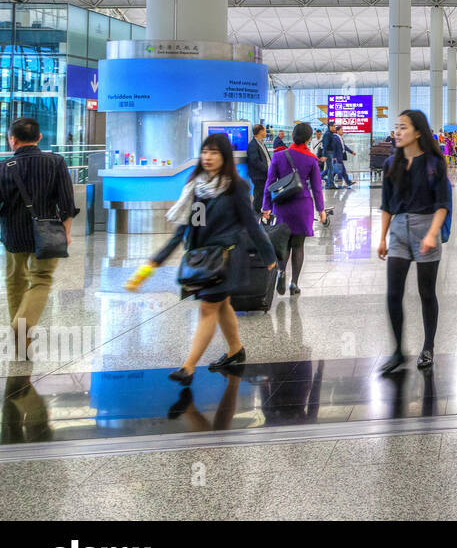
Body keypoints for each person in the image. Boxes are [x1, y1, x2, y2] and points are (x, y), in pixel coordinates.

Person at [126, 133, 277, 383]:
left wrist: (269, 254)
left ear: (225, 157)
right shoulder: (198, 186)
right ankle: (236, 350)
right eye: (205, 152)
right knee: (223, 306)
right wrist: (155, 261)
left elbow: (251, 223)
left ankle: (188, 366)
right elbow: (191, 225)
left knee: (209, 309)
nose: (207, 157)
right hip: (207, 260)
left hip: (227, 259)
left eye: (214, 152)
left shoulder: (236, 186)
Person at [377, 109, 451, 375]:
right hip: (398, 230)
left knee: (426, 292)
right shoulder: (390, 164)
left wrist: (432, 234)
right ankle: (398, 350)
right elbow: (386, 205)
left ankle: (428, 346)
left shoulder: (434, 163)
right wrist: (382, 237)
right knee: (393, 293)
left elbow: (442, 205)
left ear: (418, 131)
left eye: (404, 127)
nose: (397, 132)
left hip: (425, 227)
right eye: (396, 127)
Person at [0, 117, 77, 358]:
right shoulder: (56, 162)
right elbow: (67, 202)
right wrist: (67, 231)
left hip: (13, 233)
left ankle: (20, 336)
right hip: (48, 233)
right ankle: (21, 328)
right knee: (41, 279)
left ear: (13, 140)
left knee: (15, 281)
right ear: (40, 137)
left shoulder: (3, 167)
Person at [261, 122, 327, 296]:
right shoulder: (312, 159)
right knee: (298, 246)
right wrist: (321, 210)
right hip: (302, 206)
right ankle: (294, 284)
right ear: (308, 139)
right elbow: (317, 188)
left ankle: (282, 273)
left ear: (292, 137)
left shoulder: (279, 156)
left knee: (283, 243)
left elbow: (270, 183)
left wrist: (266, 207)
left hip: (282, 205)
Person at [247, 123, 272, 210]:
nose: (266, 132)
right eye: (265, 130)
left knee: (264, 196)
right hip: (259, 176)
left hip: (265, 174)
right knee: (258, 197)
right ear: (260, 131)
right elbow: (255, 162)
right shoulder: (252, 145)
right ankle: (255, 215)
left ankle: (263, 215)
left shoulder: (261, 143)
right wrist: (268, 170)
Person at [322, 123, 354, 189]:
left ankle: (328, 182)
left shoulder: (338, 137)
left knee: (331, 170)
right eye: (341, 130)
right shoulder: (334, 136)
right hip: (334, 156)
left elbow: (343, 146)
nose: (343, 131)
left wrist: (351, 152)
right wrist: (332, 156)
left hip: (337, 156)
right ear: (338, 131)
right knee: (334, 170)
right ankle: (326, 182)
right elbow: (328, 146)